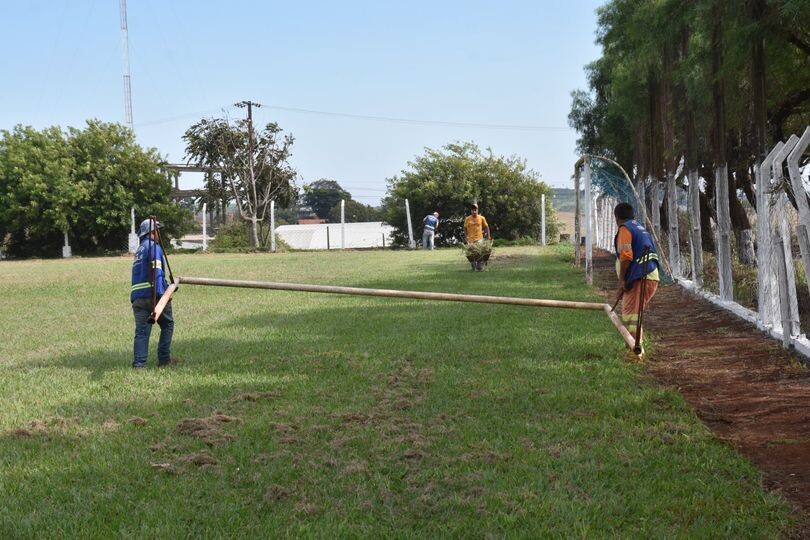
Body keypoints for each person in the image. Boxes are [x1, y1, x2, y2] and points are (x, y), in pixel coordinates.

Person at [613, 202, 659, 354]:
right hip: (648, 275)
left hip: (641, 276)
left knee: (631, 315)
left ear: (617, 218)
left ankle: (635, 352)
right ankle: (634, 347)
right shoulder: (640, 228)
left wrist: (621, 282)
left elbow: (626, 257)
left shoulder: (625, 229)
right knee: (633, 313)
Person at [130, 218, 175, 368]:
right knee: (167, 324)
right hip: (154, 295)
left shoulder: (139, 251)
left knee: (142, 332)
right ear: (151, 232)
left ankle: (139, 365)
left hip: (138, 298)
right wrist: (163, 294)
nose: (158, 233)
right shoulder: (154, 248)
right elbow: (157, 271)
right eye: (157, 230)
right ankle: (164, 360)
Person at [463, 203, 492, 270]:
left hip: (479, 239)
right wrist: (466, 236)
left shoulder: (481, 218)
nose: (474, 211)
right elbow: (464, 227)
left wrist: (488, 236)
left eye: (475, 209)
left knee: (483, 251)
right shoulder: (467, 219)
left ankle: (481, 263)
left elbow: (486, 227)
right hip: (470, 240)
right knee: (468, 252)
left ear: (477, 210)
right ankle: (473, 263)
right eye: (473, 209)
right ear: (471, 210)